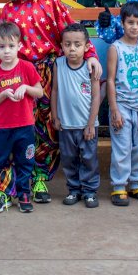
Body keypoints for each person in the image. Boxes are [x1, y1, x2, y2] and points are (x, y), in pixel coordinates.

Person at [0, 0, 101, 206]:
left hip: (48, 73)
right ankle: (11, 179)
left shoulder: (52, 2)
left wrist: (91, 54)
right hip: (18, 72)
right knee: (19, 126)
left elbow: (72, 33)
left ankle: (39, 177)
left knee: (46, 127)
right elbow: (0, 42)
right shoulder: (9, 10)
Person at [0, 22, 43, 213]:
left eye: (11, 46)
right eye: (1, 47)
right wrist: (3, 95)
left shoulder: (26, 67)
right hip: (2, 126)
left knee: (25, 160)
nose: (6, 51)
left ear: (19, 46)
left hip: (25, 125)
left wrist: (26, 88)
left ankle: (24, 192)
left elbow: (40, 92)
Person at [106, 2, 138, 206]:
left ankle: (136, 184)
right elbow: (110, 79)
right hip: (123, 105)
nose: (135, 27)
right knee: (122, 148)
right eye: (131, 22)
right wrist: (114, 109)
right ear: (122, 23)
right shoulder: (115, 48)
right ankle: (119, 186)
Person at [51, 23, 101, 208]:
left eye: (77, 44)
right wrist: (55, 116)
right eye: (67, 44)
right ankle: (73, 190)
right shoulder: (59, 63)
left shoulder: (91, 67)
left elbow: (96, 96)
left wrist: (90, 124)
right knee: (68, 159)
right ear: (62, 46)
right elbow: (55, 90)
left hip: (86, 125)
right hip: (66, 125)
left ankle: (89, 191)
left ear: (87, 47)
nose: (72, 49)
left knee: (89, 159)